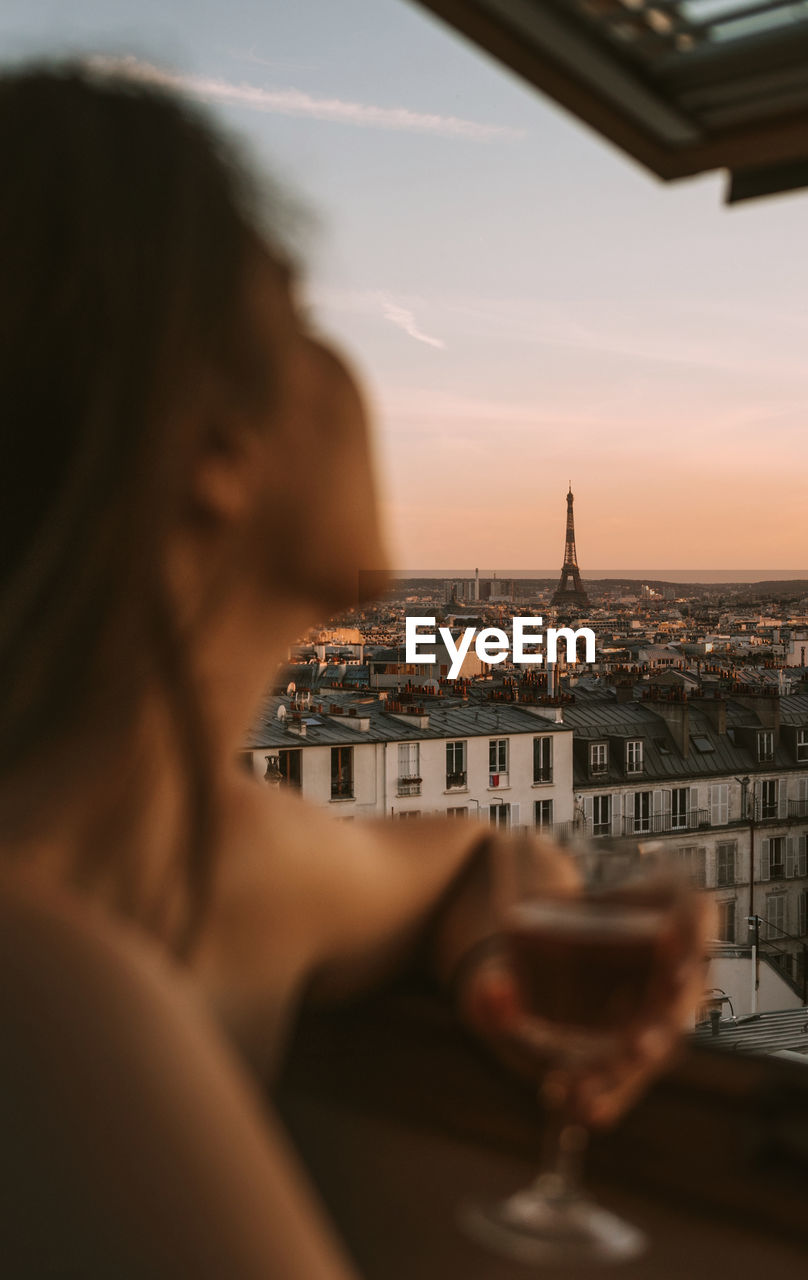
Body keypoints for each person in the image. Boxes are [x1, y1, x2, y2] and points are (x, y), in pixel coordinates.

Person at [0, 63, 705, 1277]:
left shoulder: (194, 854)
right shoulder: (43, 991)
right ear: (217, 449)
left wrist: (501, 961)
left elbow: (474, 853)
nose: (348, 368)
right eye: (305, 319)